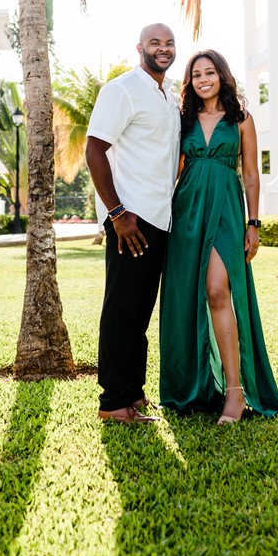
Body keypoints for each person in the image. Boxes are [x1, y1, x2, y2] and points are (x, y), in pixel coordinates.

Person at [159, 49, 278, 423]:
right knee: (189, 295)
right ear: (190, 82)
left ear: (222, 75)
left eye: (209, 72)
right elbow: (171, 170)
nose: (203, 79)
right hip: (187, 210)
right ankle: (195, 387)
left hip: (225, 209)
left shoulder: (241, 118)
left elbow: (251, 175)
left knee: (219, 290)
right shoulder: (182, 119)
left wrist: (254, 224)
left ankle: (235, 394)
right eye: (196, 74)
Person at [85, 23, 181, 425]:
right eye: (155, 42)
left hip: (161, 218)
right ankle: (113, 403)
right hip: (131, 218)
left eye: (169, 43)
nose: (163, 48)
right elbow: (94, 149)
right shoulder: (121, 89)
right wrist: (117, 213)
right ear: (139, 48)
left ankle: (134, 394)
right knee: (122, 308)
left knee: (141, 311)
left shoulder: (168, 96)